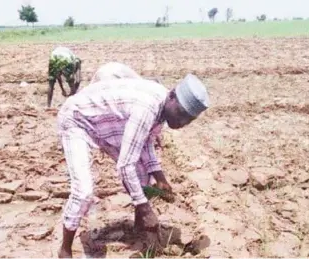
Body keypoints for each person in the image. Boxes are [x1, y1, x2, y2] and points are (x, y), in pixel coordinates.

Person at [56, 73, 210, 258]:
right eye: (182, 113)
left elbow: (146, 142)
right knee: (84, 191)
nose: (182, 122)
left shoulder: (162, 110)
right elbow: (125, 165)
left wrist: (160, 177)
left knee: (144, 174)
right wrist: (145, 207)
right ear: (171, 96)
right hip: (78, 119)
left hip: (106, 124)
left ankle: (139, 225)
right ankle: (65, 250)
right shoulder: (147, 107)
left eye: (189, 119)